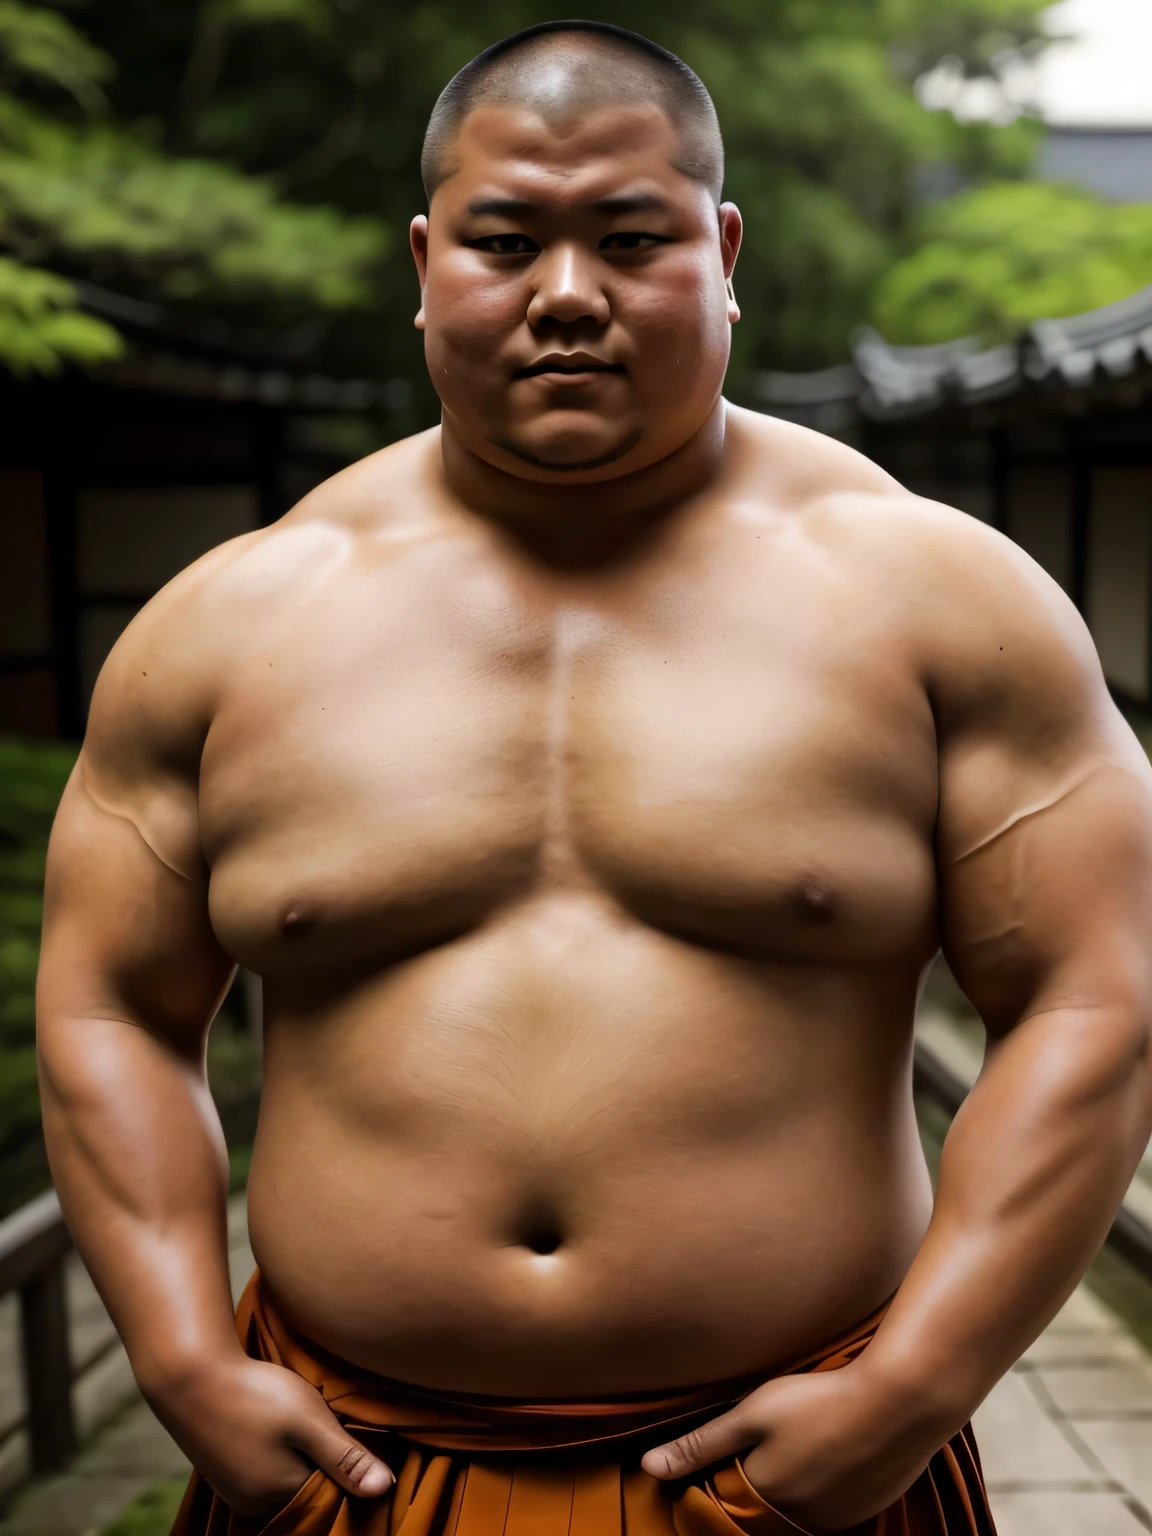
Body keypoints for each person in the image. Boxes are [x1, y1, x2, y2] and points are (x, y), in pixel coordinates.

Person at [36, 20, 1152, 1536]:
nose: (570, 297)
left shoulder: (945, 603)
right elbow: (108, 1003)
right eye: (508, 241)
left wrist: (916, 1388)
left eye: (632, 238)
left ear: (724, 244)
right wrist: (175, 1353)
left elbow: (1097, 999)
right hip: (352, 1461)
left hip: (796, 1462)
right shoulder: (232, 624)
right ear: (426, 259)